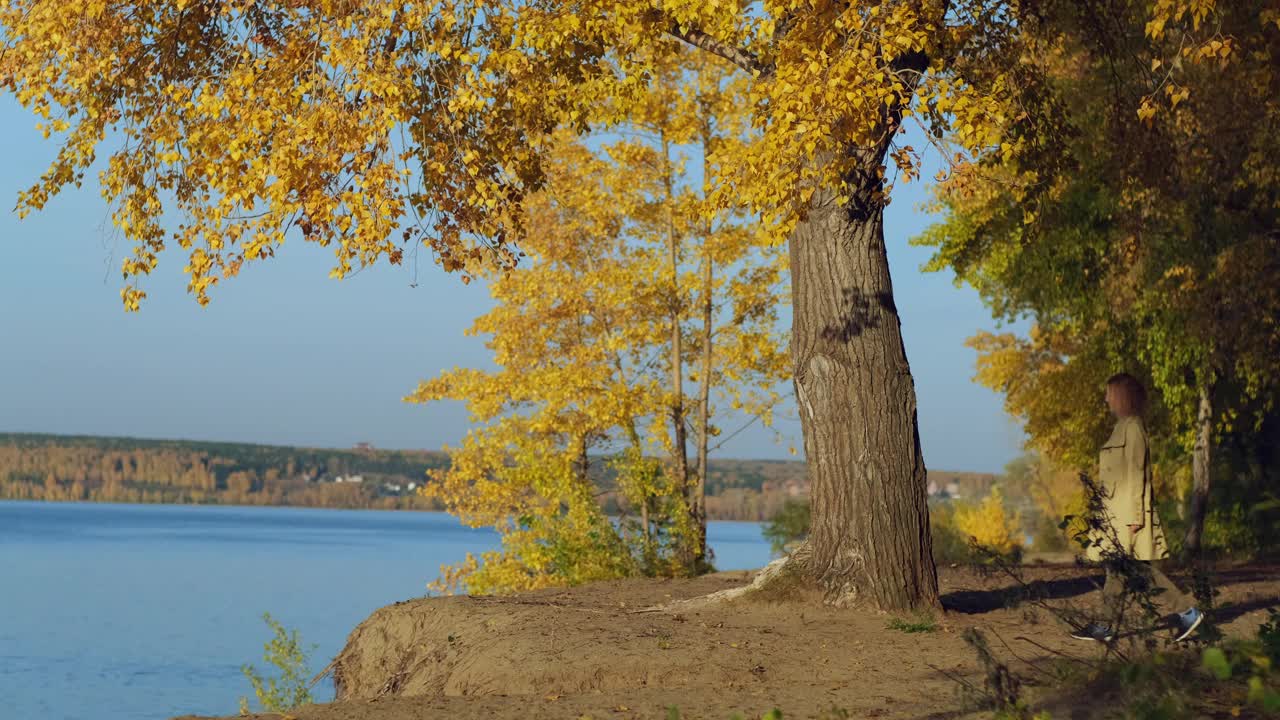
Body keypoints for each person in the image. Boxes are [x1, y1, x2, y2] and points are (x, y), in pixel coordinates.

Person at [1070, 373, 1204, 643]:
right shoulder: (1121, 427)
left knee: (1126, 568)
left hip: (1127, 514)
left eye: (1109, 393)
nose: (1106, 398)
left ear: (1121, 395)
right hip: (1114, 513)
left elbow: (1137, 473)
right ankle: (1108, 627)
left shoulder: (1133, 427)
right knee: (1121, 570)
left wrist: (1135, 516)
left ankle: (1185, 610)